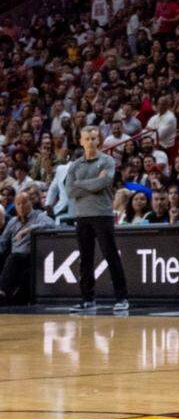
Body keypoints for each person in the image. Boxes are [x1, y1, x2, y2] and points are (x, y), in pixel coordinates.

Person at [65, 126, 129, 313]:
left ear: (98, 140)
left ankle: (122, 298)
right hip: (82, 216)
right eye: (87, 139)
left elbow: (104, 182)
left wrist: (80, 184)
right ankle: (87, 299)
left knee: (110, 255)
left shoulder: (107, 160)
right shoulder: (75, 165)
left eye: (94, 138)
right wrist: (92, 184)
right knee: (85, 259)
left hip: (103, 214)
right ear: (81, 141)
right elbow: (70, 191)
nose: (91, 142)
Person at [0, 191, 54, 303]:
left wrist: (30, 229)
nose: (21, 206)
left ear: (30, 203)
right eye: (18, 204)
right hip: (15, 258)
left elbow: (52, 225)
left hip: (32, 256)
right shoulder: (13, 222)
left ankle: (2, 289)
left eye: (24, 203)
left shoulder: (39, 216)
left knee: (14, 258)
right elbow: (3, 242)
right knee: (11, 258)